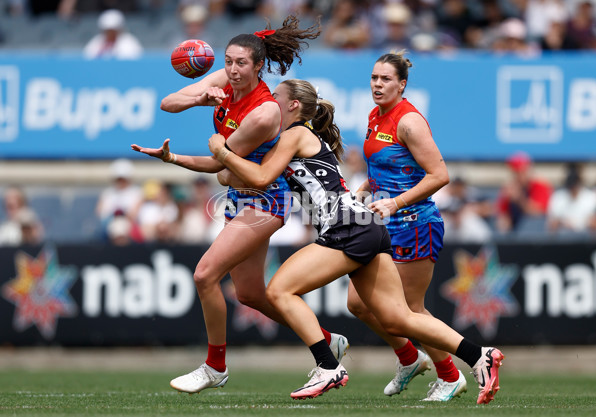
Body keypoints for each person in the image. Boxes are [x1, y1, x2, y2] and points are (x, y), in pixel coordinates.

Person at [208, 78, 504, 404]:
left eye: (274, 96)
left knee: (279, 291)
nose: (267, 102)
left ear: (293, 105)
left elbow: (260, 177)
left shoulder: (295, 134)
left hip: (346, 226)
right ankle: (479, 355)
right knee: (398, 318)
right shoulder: (296, 137)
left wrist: (222, 150)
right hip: (365, 224)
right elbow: (234, 173)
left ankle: (327, 365)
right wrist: (177, 159)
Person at [131, 16, 348, 394]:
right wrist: (200, 97)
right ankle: (326, 340)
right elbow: (168, 103)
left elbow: (219, 163)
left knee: (204, 275)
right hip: (238, 198)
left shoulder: (265, 111)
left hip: (265, 202)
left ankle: (215, 366)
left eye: (240, 63)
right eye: (228, 61)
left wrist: (175, 159)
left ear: (258, 66)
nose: (231, 69)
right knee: (249, 294)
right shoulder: (223, 82)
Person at [349, 51, 466, 401]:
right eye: (374, 78)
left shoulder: (409, 121)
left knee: (410, 311)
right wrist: (366, 188)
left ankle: (449, 375)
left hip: (415, 223)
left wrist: (396, 202)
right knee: (358, 303)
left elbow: (439, 175)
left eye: (385, 79)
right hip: (383, 223)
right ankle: (409, 357)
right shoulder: (374, 115)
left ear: (402, 84)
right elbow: (386, 167)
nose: (377, 85)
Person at [496, 151, 553, 233]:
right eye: (514, 172)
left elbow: (538, 213)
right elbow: (502, 214)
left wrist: (519, 199)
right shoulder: (509, 188)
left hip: (537, 234)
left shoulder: (540, 186)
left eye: (520, 171)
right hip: (515, 236)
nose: (517, 175)